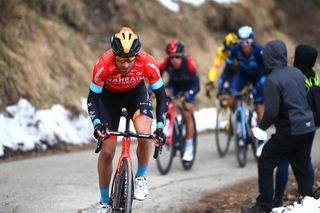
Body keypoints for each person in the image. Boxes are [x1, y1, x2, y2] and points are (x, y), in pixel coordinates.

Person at [87, 27, 168, 213]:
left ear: (136, 54)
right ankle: (105, 202)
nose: (125, 64)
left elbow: (162, 97)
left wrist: (161, 126)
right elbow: (93, 100)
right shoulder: (103, 65)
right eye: (121, 59)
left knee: (144, 134)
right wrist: (97, 123)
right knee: (107, 152)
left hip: (136, 95)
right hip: (109, 100)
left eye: (130, 59)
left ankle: (140, 178)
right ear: (114, 54)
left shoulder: (147, 62)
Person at [243, 40, 316, 213]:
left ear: (268, 58)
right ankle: (309, 203)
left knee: (266, 161)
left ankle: (264, 205)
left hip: (291, 130)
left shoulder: (272, 80)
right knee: (302, 165)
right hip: (308, 127)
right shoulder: (297, 72)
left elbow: (272, 112)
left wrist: (260, 129)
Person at [273, 44, 318, 207]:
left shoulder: (295, 75)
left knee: (283, 160)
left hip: (294, 123)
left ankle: (277, 199)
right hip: (311, 125)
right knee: (305, 160)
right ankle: (308, 198)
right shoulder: (315, 76)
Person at [159, 39, 200, 161]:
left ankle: (188, 147)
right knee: (164, 96)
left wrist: (188, 95)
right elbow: (156, 77)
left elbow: (197, 86)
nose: (174, 60)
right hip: (174, 86)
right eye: (171, 57)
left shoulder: (190, 64)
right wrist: (153, 91)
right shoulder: (166, 63)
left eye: (177, 57)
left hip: (189, 88)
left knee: (186, 113)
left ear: (182, 56)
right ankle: (168, 125)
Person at [217, 26, 265, 122]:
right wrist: (220, 87)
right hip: (242, 75)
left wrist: (259, 85)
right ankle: (238, 122)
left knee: (259, 107)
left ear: (252, 41)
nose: (244, 45)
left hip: (258, 76)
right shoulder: (235, 49)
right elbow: (227, 69)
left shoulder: (259, 50)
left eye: (247, 42)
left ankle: (260, 134)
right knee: (231, 96)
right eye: (241, 42)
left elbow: (266, 70)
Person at [205, 32, 238, 97]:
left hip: (240, 69)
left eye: (230, 50)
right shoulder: (221, 52)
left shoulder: (240, 51)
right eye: (227, 49)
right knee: (221, 85)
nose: (228, 53)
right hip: (229, 68)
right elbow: (215, 67)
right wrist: (211, 81)